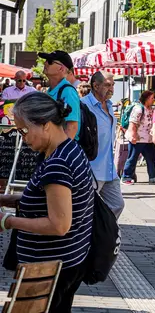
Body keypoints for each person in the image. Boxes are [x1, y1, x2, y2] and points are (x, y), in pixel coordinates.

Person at [0, 92, 94, 312]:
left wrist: (8, 221)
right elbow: (48, 200)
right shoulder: (68, 149)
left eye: (24, 130)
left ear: (45, 124)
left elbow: (59, 224)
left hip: (49, 267)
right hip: (67, 260)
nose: (22, 137)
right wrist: (7, 199)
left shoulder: (57, 163)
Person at [81, 71, 125, 219]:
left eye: (113, 85)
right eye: (107, 85)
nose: (111, 88)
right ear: (95, 85)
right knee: (85, 209)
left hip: (109, 167)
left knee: (117, 204)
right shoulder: (84, 105)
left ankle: (102, 233)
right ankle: (90, 237)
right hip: (91, 168)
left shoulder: (110, 105)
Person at [39, 51, 81, 140]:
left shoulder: (68, 91)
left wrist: (61, 150)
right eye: (46, 60)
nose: (45, 63)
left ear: (61, 68)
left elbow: (72, 127)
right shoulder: (51, 91)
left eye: (50, 61)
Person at [122, 90, 155, 185]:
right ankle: (126, 176)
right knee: (133, 158)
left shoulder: (151, 109)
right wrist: (134, 136)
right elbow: (133, 123)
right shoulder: (139, 109)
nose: (154, 100)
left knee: (150, 158)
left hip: (148, 139)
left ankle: (153, 176)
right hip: (138, 138)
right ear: (146, 99)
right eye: (152, 98)